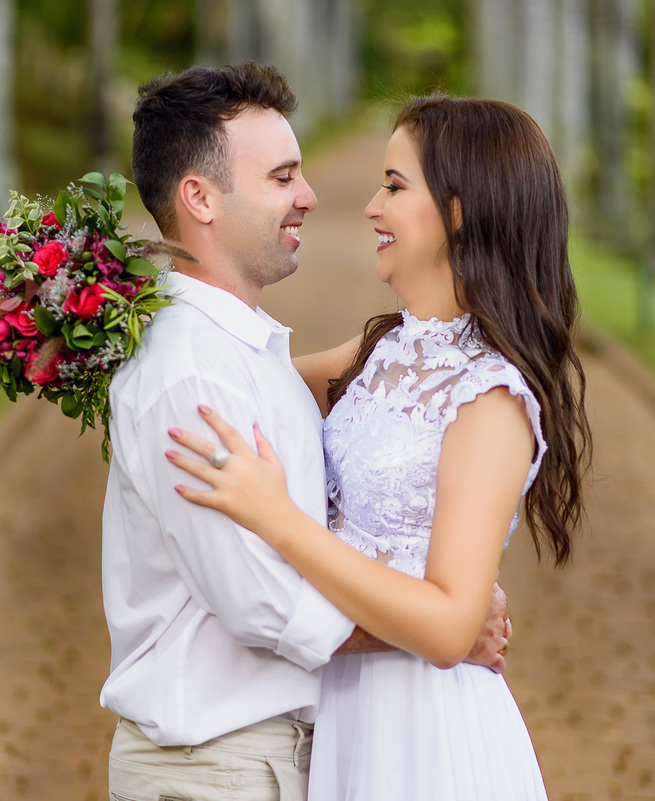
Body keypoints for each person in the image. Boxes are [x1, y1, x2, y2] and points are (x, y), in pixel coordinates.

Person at [166, 95, 593, 800]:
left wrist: (281, 521)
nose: (371, 208)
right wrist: (83, 323)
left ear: (459, 211)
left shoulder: (489, 396)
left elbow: (451, 627)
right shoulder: (381, 352)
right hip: (341, 714)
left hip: (425, 736)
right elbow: (227, 382)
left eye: (394, 186)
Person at [101, 65, 510, 801]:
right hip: (216, 767)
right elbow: (262, 601)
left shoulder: (251, 353)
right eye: (283, 176)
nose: (311, 196)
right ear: (200, 197)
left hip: (289, 757)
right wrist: (445, 626)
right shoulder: (193, 373)